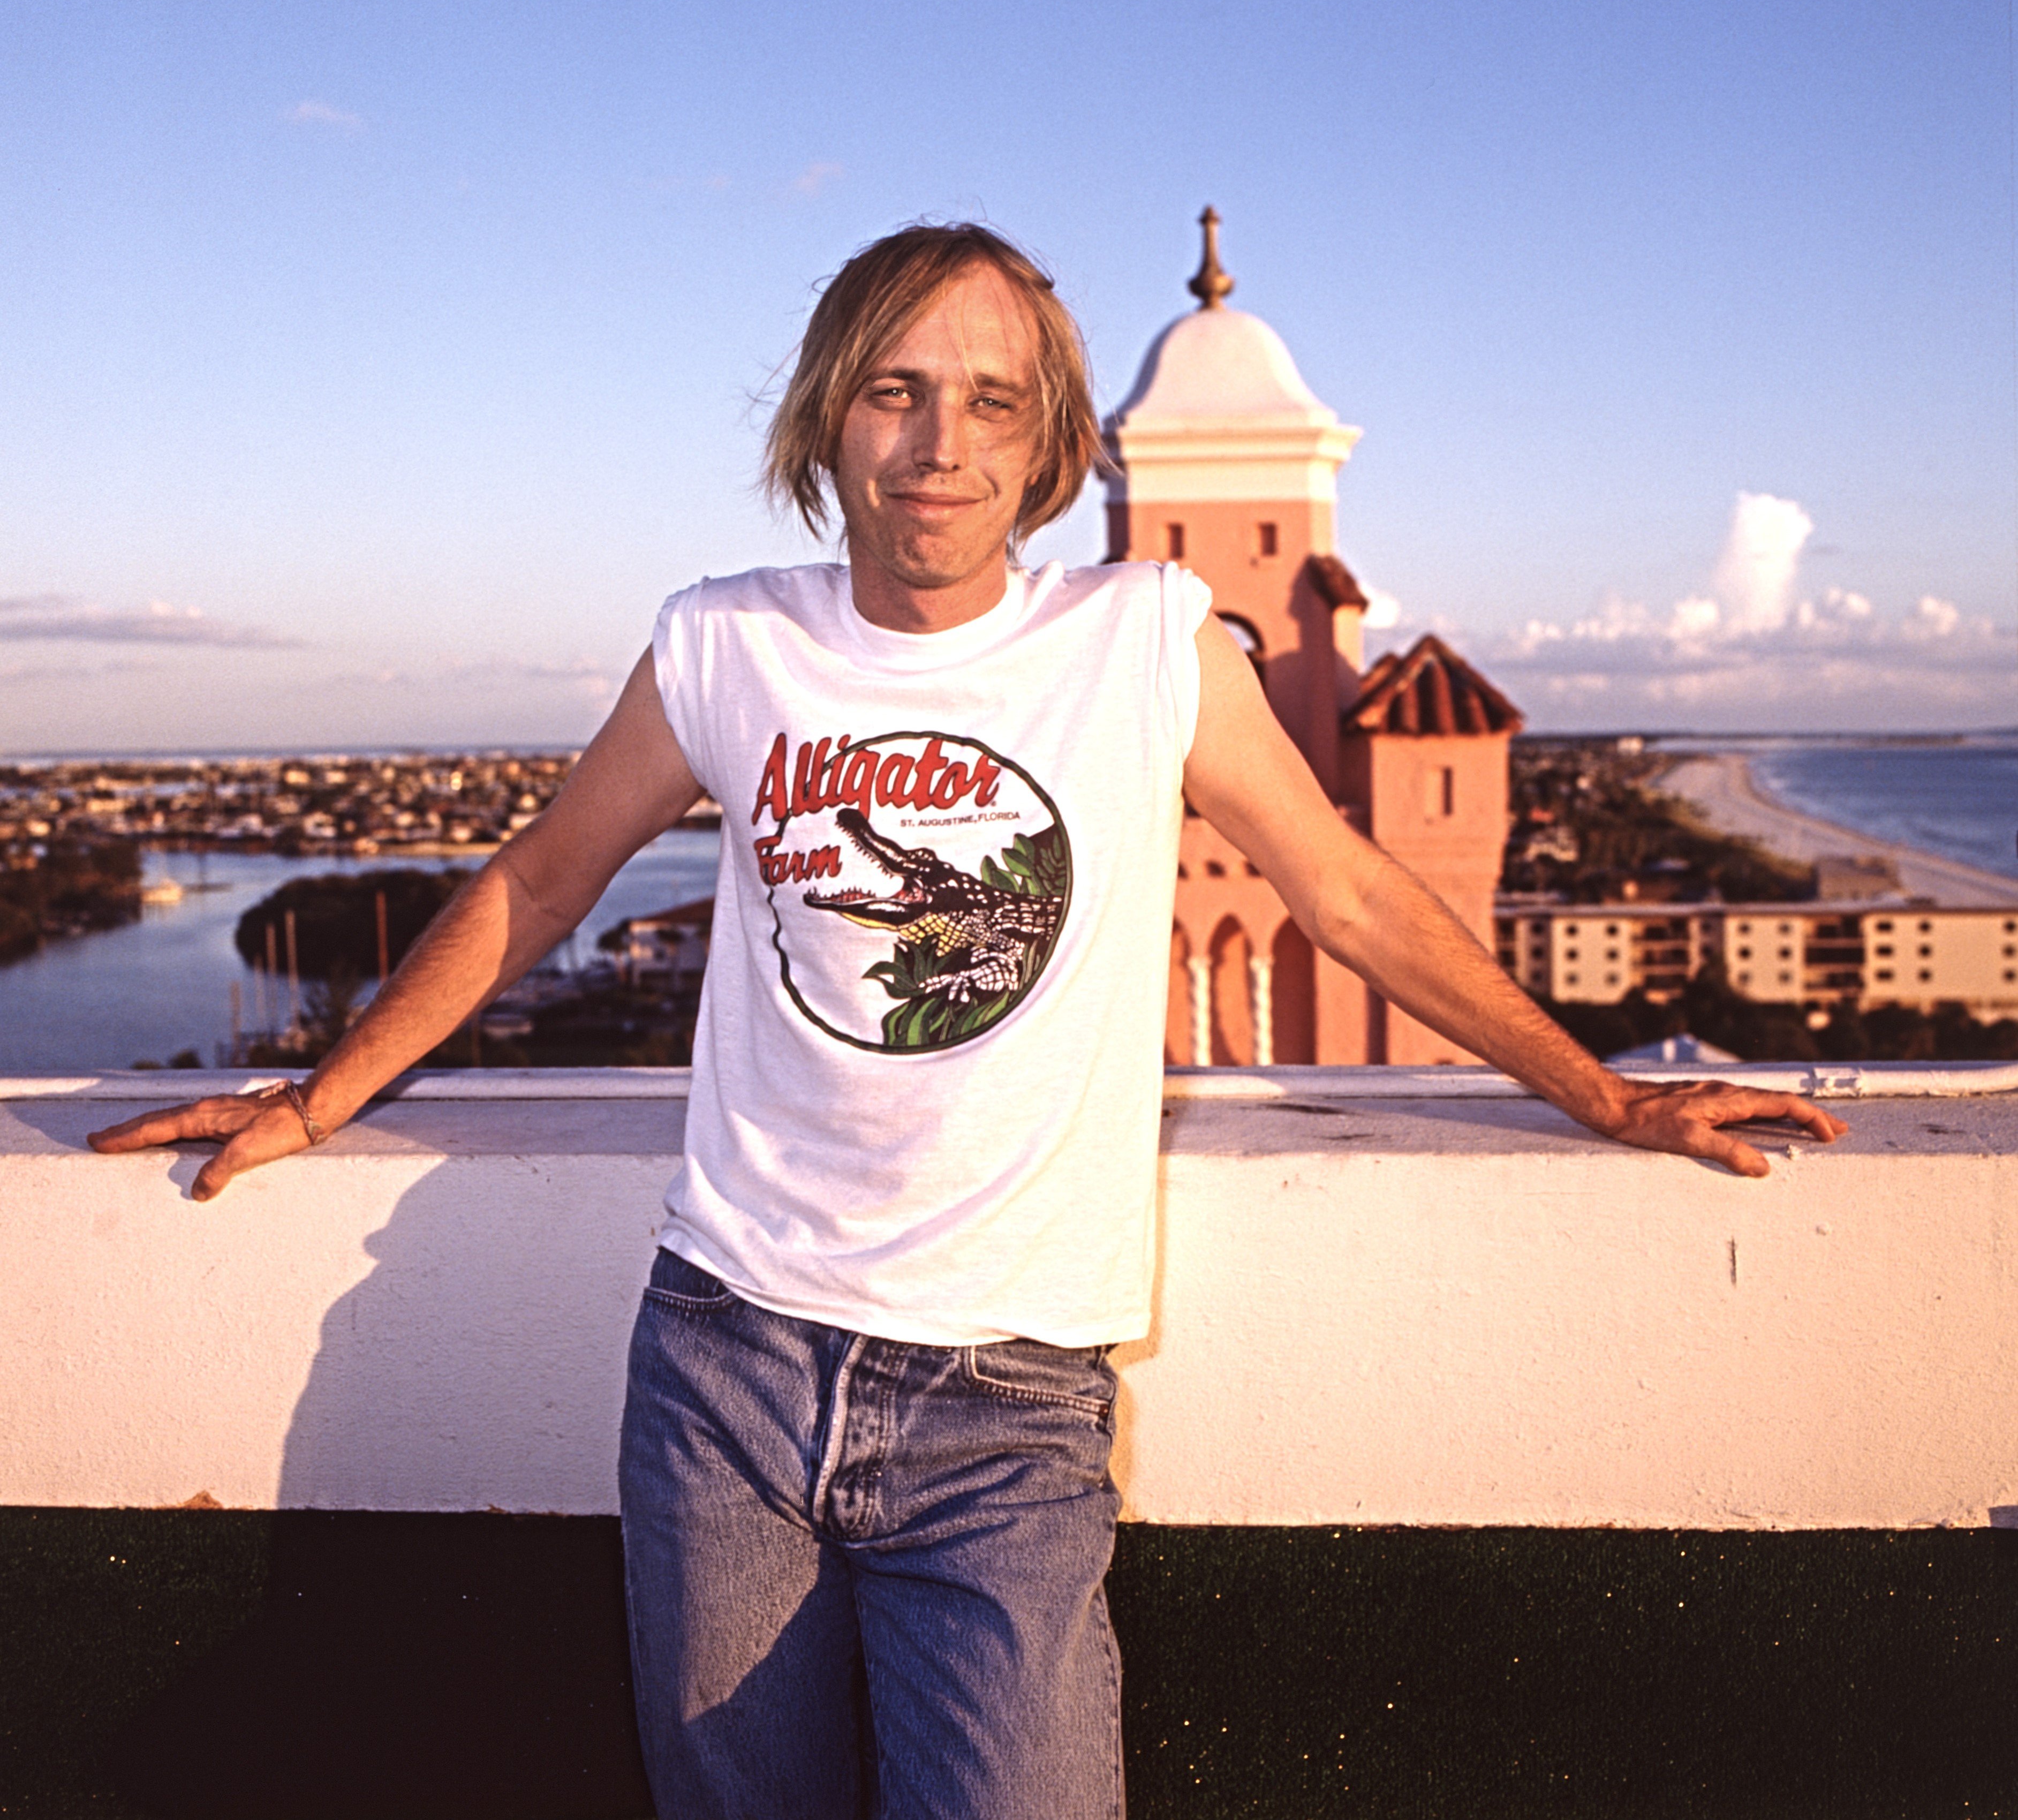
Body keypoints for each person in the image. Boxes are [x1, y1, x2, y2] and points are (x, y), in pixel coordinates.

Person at [92, 222, 1848, 1818]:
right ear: (826, 422)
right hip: (723, 1359)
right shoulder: (721, 646)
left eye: (990, 401)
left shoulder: (1149, 638)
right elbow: (538, 884)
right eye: (895, 390)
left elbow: (1352, 895)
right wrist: (320, 1100)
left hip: (1006, 1404)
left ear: (1050, 445)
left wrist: (1599, 1095)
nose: (940, 443)